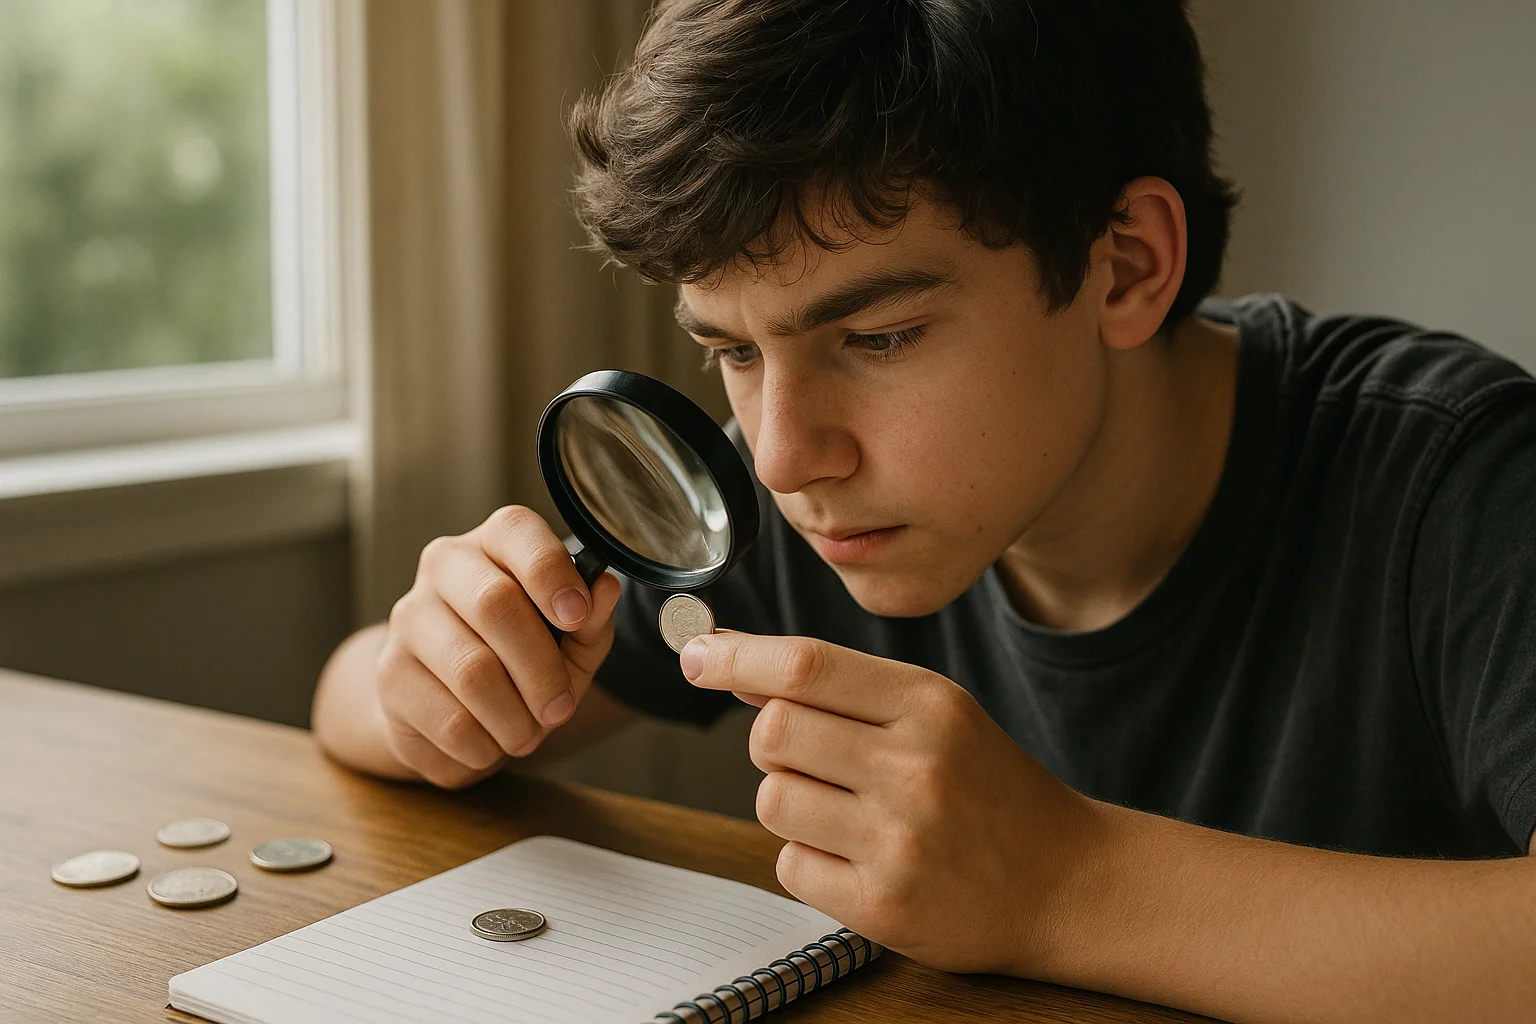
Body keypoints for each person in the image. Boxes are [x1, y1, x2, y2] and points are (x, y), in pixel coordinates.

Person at [311, 1, 1536, 1020]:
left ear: (1126, 265)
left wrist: (1069, 883)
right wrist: (437, 664)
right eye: (733, 351)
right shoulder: (770, 503)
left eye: (880, 334)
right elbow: (353, 700)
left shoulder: (1461, 479)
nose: (788, 454)